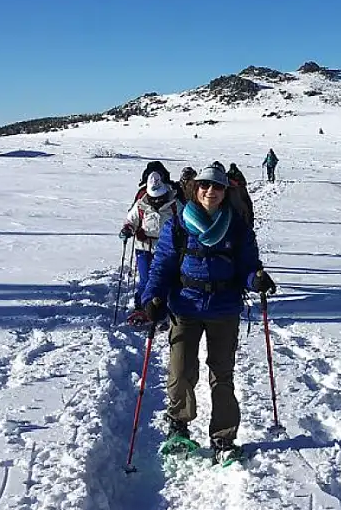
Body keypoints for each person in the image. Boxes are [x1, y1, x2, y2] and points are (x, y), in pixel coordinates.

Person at [133, 163, 277, 465]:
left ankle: (223, 438)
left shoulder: (237, 227)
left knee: (221, 376)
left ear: (225, 192)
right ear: (195, 189)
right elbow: (162, 266)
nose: (210, 191)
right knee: (181, 371)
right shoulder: (178, 225)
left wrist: (257, 280)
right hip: (184, 306)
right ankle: (179, 427)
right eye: (205, 186)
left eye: (217, 187)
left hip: (223, 309)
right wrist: (152, 297)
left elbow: (249, 267)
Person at [120, 172, 179, 308]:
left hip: (167, 249)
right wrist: (127, 229)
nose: (157, 201)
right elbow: (131, 220)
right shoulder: (140, 206)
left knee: (166, 278)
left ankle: (164, 306)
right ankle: (142, 306)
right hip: (144, 247)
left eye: (160, 197)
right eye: (154, 198)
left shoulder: (174, 205)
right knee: (146, 279)